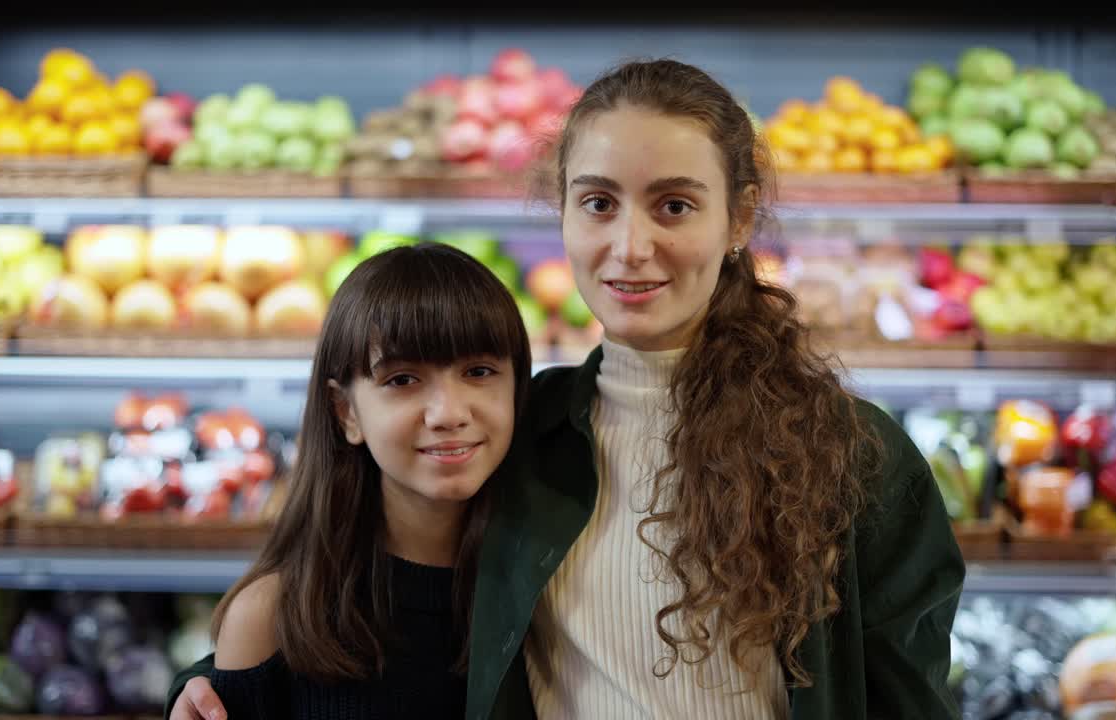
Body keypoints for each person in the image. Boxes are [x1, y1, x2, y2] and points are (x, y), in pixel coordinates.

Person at [167, 59, 964, 720]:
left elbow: (909, 695)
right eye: (598, 203)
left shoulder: (849, 453)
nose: (630, 246)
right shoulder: (530, 429)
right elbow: (378, 580)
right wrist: (212, 684)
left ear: (739, 219)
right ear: (564, 212)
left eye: (675, 205)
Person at [191, 244, 531, 720]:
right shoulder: (269, 619)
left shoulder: (550, 591)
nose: (449, 413)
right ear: (346, 411)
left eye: (479, 372)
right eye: (402, 380)